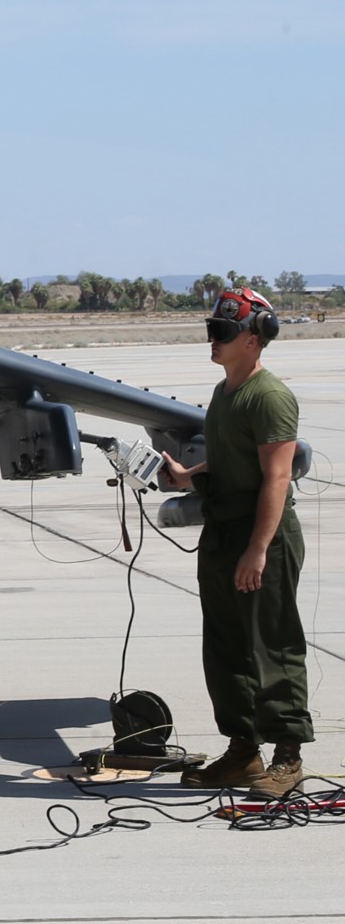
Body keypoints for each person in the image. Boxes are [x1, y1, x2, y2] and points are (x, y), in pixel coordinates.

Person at [160, 287, 309, 798]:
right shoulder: (226, 393)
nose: (212, 340)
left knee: (271, 645)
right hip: (223, 533)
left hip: (258, 534)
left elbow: (276, 478)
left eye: (221, 333)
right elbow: (229, 462)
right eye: (211, 330)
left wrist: (258, 550)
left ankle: (287, 757)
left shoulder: (268, 397)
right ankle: (244, 752)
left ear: (253, 339)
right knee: (226, 648)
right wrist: (187, 476)